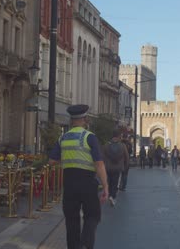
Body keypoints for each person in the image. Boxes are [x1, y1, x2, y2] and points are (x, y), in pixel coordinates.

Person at [48, 104, 108, 249]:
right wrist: (105, 186)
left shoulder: (62, 138)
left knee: (71, 219)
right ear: (85, 119)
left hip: (69, 183)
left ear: (71, 120)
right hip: (87, 183)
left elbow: (51, 161)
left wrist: (67, 159)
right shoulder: (90, 137)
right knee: (93, 215)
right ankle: (86, 244)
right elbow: (99, 164)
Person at [102, 129, 129, 207]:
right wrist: (126, 166)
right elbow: (126, 157)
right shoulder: (122, 146)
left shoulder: (106, 145)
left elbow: (102, 157)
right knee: (115, 182)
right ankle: (112, 196)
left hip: (108, 167)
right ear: (118, 136)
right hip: (118, 168)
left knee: (109, 181)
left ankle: (110, 194)